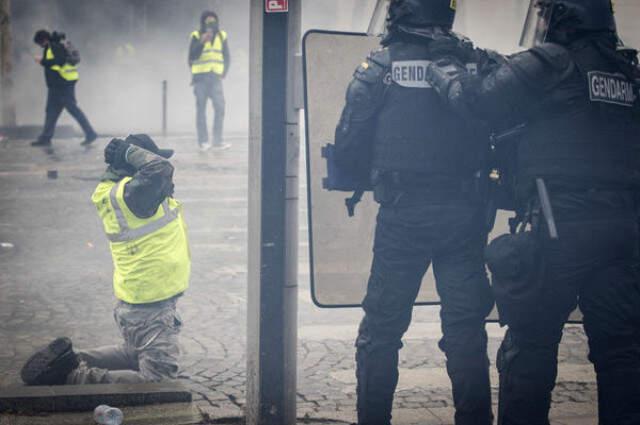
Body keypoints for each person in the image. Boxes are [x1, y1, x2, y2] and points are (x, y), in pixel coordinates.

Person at [426, 1, 640, 424]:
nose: (540, 22)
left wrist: (445, 69)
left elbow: (477, 101)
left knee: (529, 350)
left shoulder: (552, 61)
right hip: (621, 231)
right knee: (623, 356)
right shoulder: (625, 71)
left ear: (562, 15)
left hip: (559, 226)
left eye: (544, 12)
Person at [333, 1, 502, 424]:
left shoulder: (379, 68)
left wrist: (364, 175)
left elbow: (350, 139)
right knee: (465, 329)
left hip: (403, 217)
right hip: (463, 215)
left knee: (382, 332)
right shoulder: (468, 65)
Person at [20, 134, 191, 385]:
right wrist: (129, 151)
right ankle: (74, 376)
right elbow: (161, 168)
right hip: (151, 305)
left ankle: (71, 359)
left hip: (138, 300)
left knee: (133, 352)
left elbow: (157, 173)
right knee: (159, 380)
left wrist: (129, 160)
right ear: (136, 169)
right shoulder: (134, 197)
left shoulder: (118, 191)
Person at [31, 30, 97, 148]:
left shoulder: (54, 46)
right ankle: (45, 137)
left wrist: (42, 61)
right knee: (51, 112)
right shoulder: (55, 45)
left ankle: (90, 133)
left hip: (62, 85)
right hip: (57, 85)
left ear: (43, 40)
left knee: (72, 110)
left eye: (39, 43)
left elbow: (60, 61)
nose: (40, 46)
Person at [188, 10, 231, 152]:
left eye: (213, 21)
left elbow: (227, 56)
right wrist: (202, 41)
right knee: (201, 110)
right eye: (208, 21)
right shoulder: (196, 35)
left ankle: (217, 140)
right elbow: (191, 56)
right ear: (203, 22)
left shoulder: (222, 36)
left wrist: (224, 72)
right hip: (200, 78)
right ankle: (203, 141)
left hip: (215, 78)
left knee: (220, 107)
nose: (211, 24)